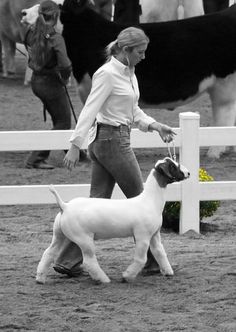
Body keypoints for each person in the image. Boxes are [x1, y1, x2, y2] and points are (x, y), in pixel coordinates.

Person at [53, 27, 176, 277]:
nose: (144, 56)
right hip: (112, 142)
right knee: (145, 203)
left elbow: (133, 111)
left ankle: (67, 261)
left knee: (94, 205)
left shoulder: (129, 72)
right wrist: (75, 145)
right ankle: (153, 261)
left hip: (110, 140)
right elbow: (89, 109)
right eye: (140, 52)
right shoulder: (107, 74)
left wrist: (154, 125)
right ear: (126, 50)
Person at [24, 0, 72, 169]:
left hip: (36, 81)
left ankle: (73, 152)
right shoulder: (56, 38)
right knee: (64, 122)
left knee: (59, 118)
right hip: (51, 84)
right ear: (56, 15)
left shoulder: (30, 32)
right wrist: (65, 78)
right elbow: (65, 65)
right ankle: (36, 158)